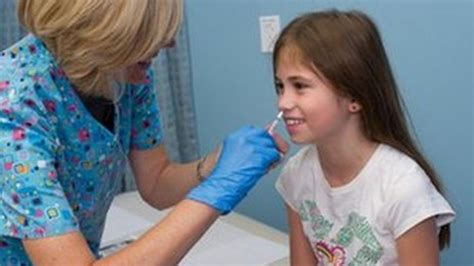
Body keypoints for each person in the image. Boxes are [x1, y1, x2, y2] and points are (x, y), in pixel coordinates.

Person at [0, 0, 288, 265]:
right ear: (103, 29)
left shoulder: (126, 72)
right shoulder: (13, 103)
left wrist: (215, 164)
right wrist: (217, 192)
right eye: (148, 33)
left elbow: (157, 183)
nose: (171, 43)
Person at [273, 9, 455, 265]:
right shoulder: (297, 174)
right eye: (280, 86)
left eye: (300, 86)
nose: (283, 102)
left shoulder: (403, 188)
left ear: (355, 97)